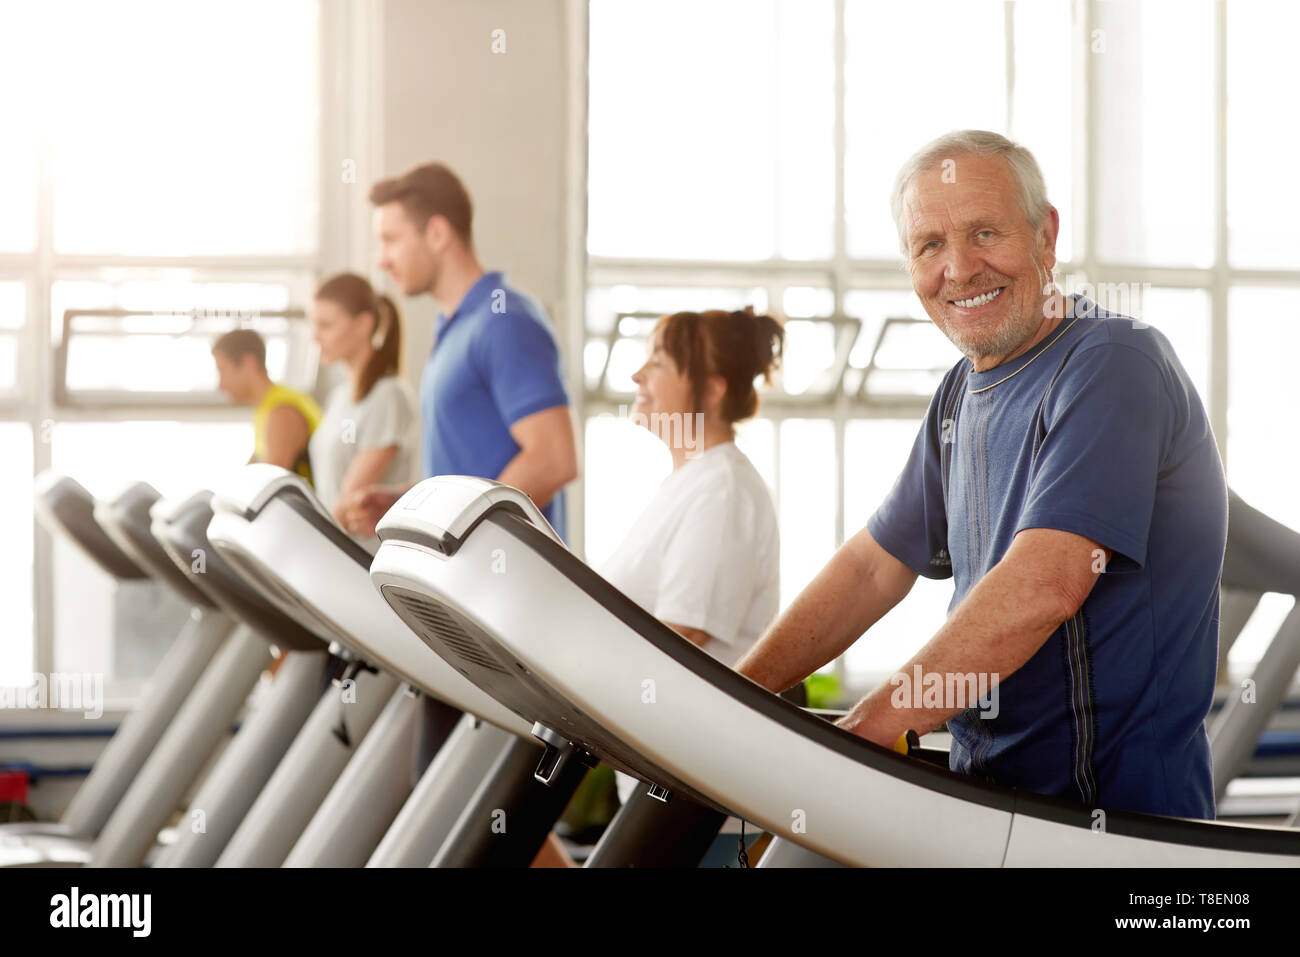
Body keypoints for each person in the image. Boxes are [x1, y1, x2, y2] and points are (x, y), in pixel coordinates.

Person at [737, 129, 1227, 821]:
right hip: (988, 809)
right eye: (929, 245)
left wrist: (871, 729)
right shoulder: (961, 395)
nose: (960, 269)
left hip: (1104, 827)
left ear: (1045, 235)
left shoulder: (1112, 363)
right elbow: (873, 568)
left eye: (985, 232)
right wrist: (732, 694)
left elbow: (1044, 584)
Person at [338, 162, 577, 540]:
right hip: (467, 586)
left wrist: (451, 533)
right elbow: (476, 475)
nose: (381, 259)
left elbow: (553, 460)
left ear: (436, 233)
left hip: (507, 590)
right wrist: (408, 505)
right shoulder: (454, 329)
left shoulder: (505, 321)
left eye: (391, 240)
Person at [307, 273, 419, 527]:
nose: (315, 337)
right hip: (335, 549)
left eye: (325, 325)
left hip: (364, 556)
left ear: (363, 325)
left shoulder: (389, 396)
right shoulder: (339, 396)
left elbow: (350, 500)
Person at [212, 328, 322, 484]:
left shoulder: (282, 411)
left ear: (249, 363)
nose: (220, 385)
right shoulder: (265, 409)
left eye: (222, 370)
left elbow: (269, 486)